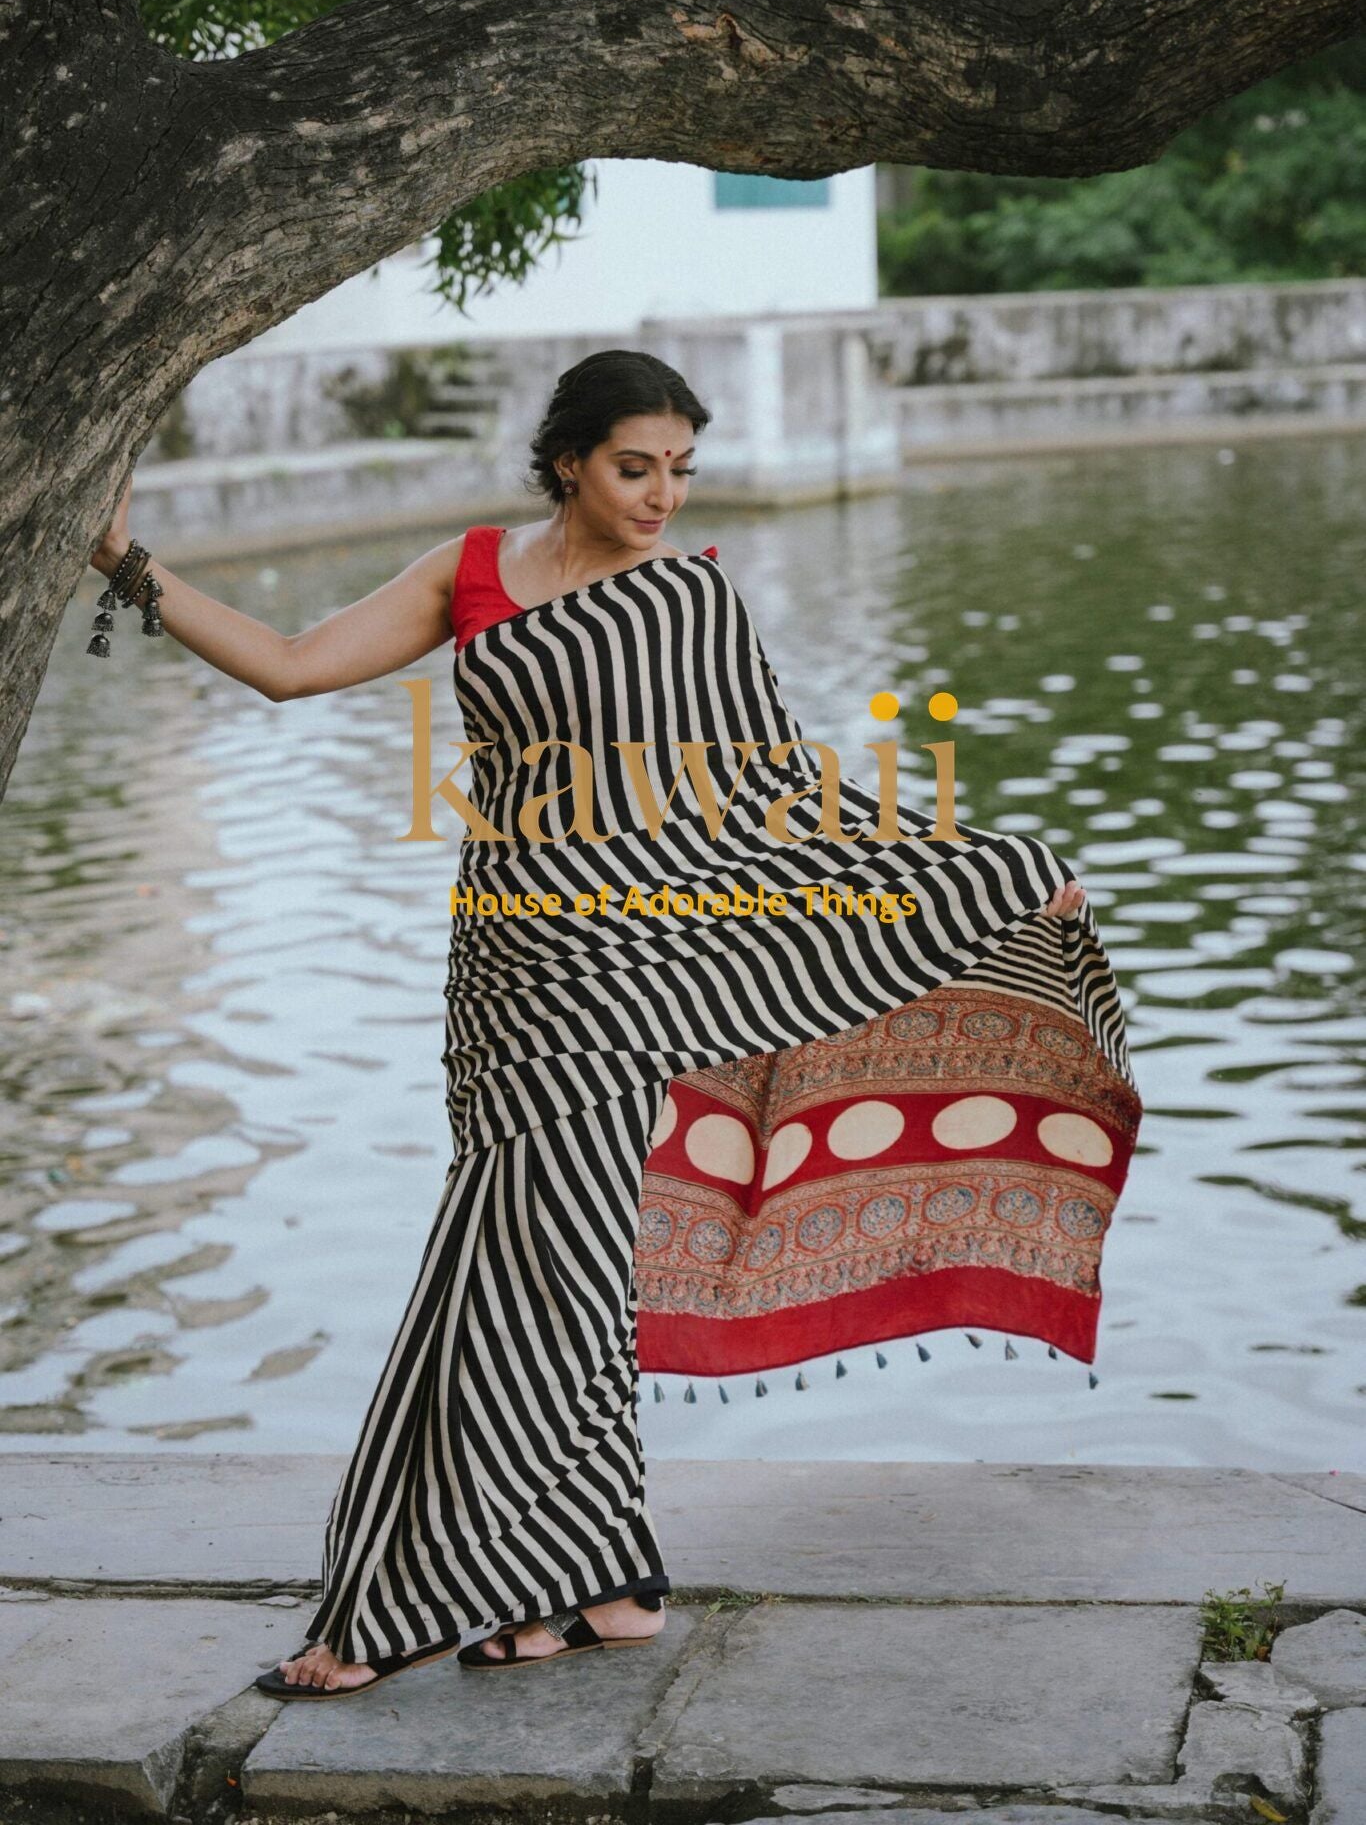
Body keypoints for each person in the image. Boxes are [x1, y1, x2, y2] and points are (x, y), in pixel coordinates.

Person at [88, 348, 1113, 1696]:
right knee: (550, 1268)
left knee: (515, 1273)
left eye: (681, 469)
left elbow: (782, 788)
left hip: (626, 977)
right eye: (637, 466)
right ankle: (608, 1584)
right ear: (567, 458)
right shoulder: (467, 575)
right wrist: (118, 559)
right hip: (506, 965)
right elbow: (287, 665)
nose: (662, 496)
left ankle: (411, 1600)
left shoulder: (688, 597)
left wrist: (984, 862)